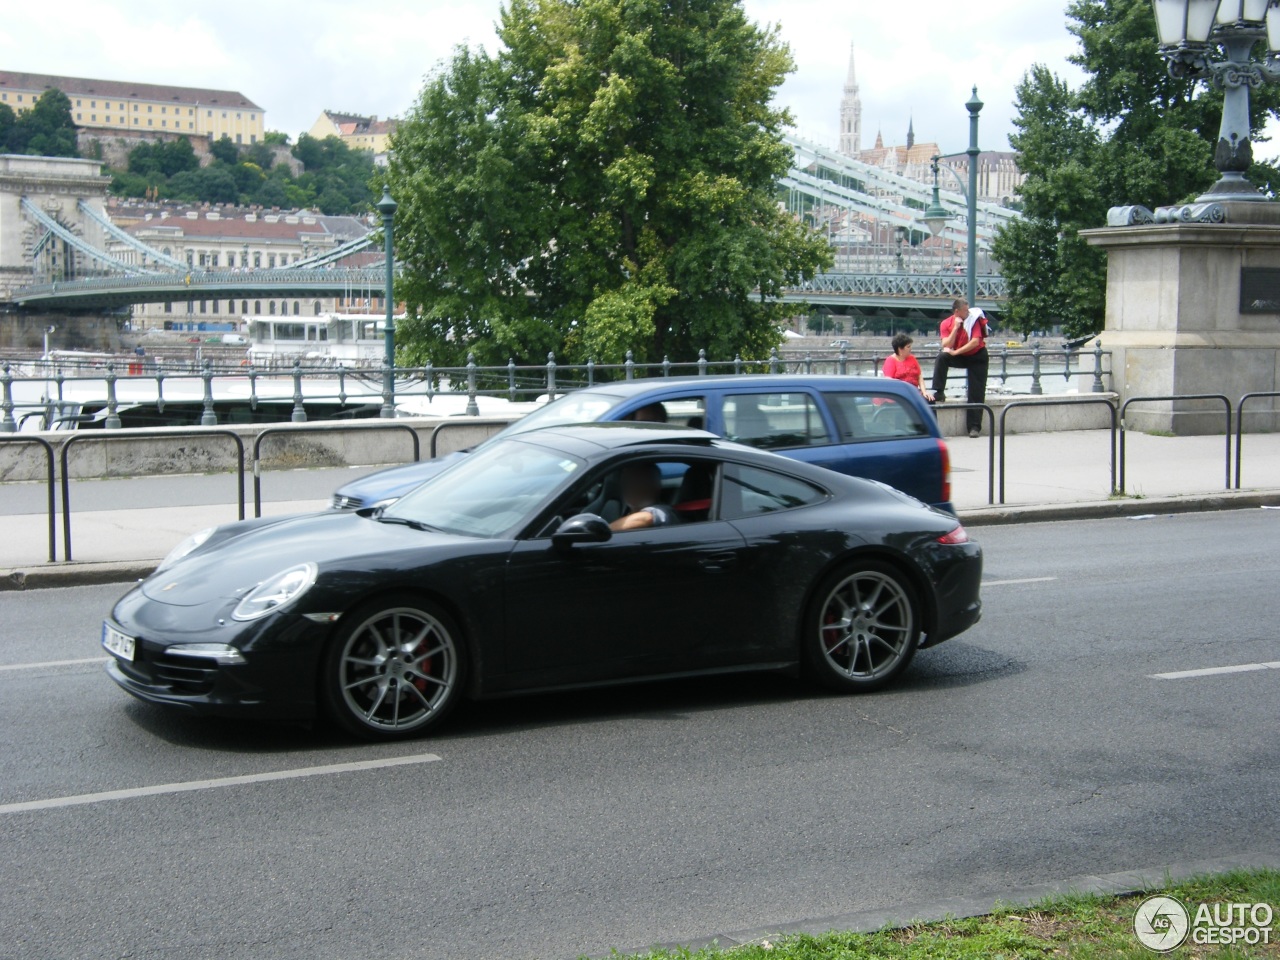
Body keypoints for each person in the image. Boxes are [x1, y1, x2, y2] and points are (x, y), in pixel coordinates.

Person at [930, 298, 989, 437]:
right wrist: (956, 328)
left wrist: (955, 352)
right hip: (960, 354)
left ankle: (974, 427)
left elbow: (975, 342)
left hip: (977, 356)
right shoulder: (946, 323)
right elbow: (946, 344)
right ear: (957, 311)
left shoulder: (973, 319)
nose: (968, 312)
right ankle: (939, 391)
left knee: (977, 391)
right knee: (942, 357)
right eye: (965, 310)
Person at [609, 462, 677, 531]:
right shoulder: (624, 512)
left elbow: (646, 519)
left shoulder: (664, 511)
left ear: (655, 485)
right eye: (628, 481)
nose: (632, 486)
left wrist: (603, 531)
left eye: (638, 481)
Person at [882, 333, 934, 402]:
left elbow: (919, 376)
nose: (910, 349)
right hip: (900, 395)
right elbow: (889, 381)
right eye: (908, 347)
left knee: (930, 400)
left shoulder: (912, 358)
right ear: (900, 349)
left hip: (914, 393)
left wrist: (924, 392)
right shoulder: (890, 361)